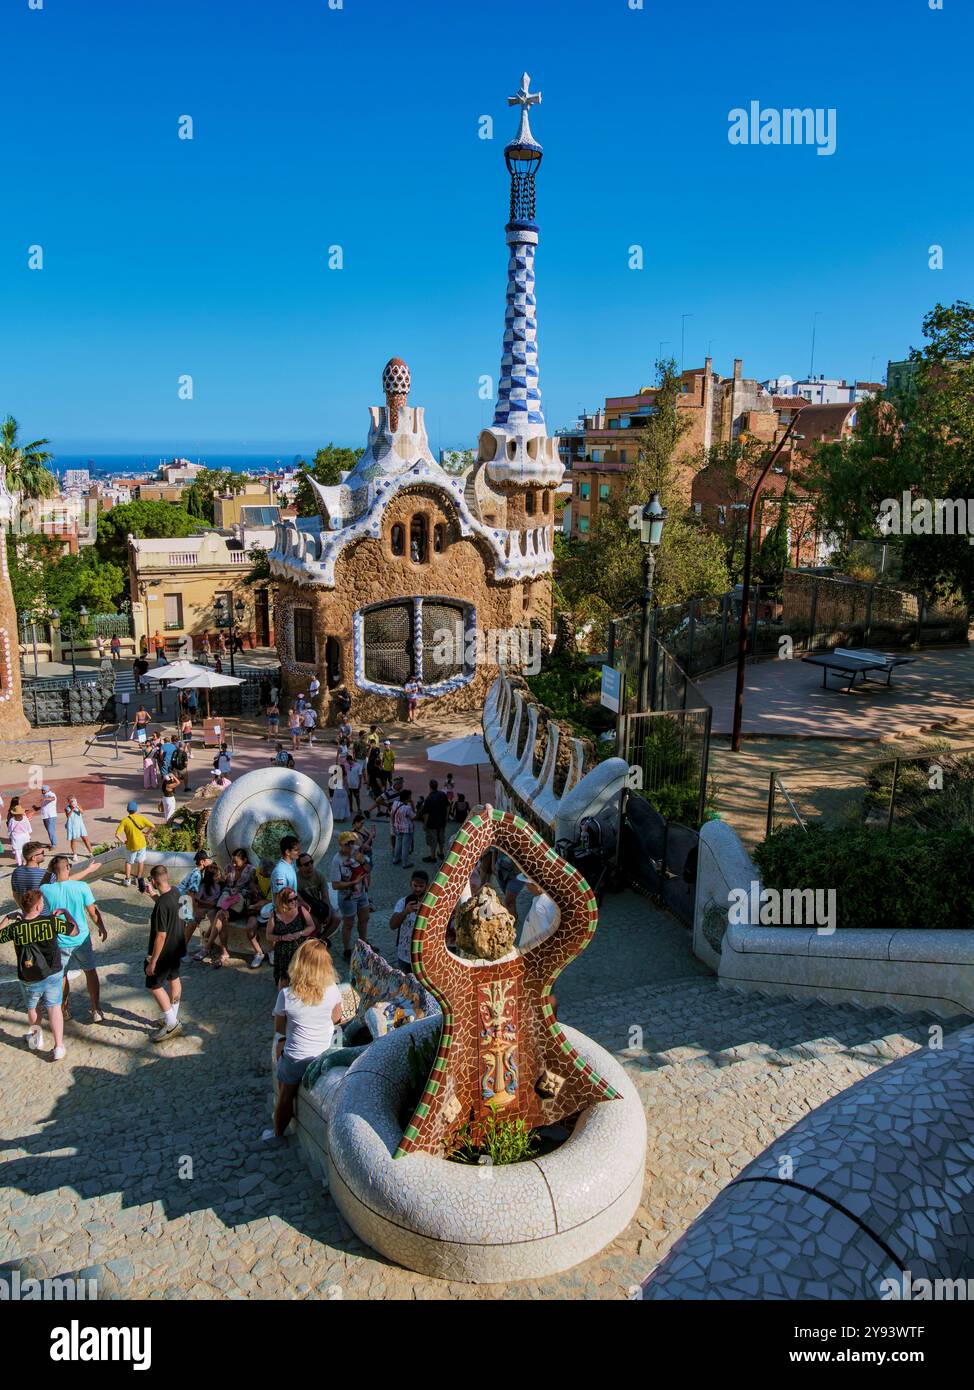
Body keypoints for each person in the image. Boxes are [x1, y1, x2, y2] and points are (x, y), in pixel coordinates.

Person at [263, 938, 343, 1142]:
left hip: (295, 1059)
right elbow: (335, 1019)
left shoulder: (287, 995)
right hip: (321, 1056)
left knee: (285, 1096)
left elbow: (280, 1028)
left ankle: (278, 1132)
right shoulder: (333, 990)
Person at [0, 889, 77, 1061]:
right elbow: (74, 931)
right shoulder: (50, 922)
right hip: (53, 973)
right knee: (54, 1007)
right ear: (37, 907)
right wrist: (66, 912)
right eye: (41, 903)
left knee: (33, 1008)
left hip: (28, 976)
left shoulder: (16, 929)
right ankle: (58, 1046)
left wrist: (7, 919)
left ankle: (36, 1038)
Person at [42, 854, 108, 1023]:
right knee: (90, 972)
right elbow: (93, 912)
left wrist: (49, 872)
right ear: (69, 868)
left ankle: (65, 1010)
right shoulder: (82, 886)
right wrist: (101, 926)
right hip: (81, 937)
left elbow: (44, 884)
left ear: (53, 871)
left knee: (62, 976)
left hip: (60, 941)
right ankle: (96, 1009)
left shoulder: (46, 890)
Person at [143, 864, 186, 1042]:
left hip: (164, 952)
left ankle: (171, 1022)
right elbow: (179, 913)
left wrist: (153, 961)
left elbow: (161, 935)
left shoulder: (162, 904)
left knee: (154, 984)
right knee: (174, 979)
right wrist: (153, 895)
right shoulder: (176, 892)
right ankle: (173, 1016)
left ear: (153, 880)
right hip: (177, 947)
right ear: (166, 877)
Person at [207, 847, 257, 968]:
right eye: (232, 861)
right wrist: (225, 881)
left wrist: (240, 891)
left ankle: (208, 946)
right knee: (221, 915)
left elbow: (253, 889)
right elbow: (224, 885)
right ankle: (220, 951)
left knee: (220, 914)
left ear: (244, 860)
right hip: (226, 900)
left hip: (240, 902)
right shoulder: (229, 868)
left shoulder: (251, 870)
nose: (233, 864)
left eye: (236, 862)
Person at [264, 887, 318, 988]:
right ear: (283, 901)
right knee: (284, 980)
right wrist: (282, 937)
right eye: (290, 900)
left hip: (299, 951)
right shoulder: (275, 915)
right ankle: (282, 1000)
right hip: (283, 953)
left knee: (301, 979)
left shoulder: (301, 910)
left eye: (295, 898)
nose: (294, 901)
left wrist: (300, 933)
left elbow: (312, 926)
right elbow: (268, 936)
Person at [330, 831, 370, 961]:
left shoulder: (357, 851)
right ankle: (347, 950)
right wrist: (353, 882)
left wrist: (363, 861)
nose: (350, 846)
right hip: (347, 897)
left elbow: (368, 869)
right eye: (347, 843)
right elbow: (335, 885)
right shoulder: (337, 860)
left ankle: (364, 946)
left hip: (362, 893)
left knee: (364, 919)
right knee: (348, 924)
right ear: (341, 844)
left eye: (352, 842)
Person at [389, 870, 429, 974]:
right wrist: (405, 912)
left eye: (421, 886)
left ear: (427, 886)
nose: (418, 889)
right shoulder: (403, 902)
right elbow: (392, 925)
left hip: (423, 957)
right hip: (404, 955)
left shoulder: (431, 905)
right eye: (415, 885)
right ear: (410, 884)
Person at [296, 852, 336, 938]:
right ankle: (313, 942)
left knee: (337, 918)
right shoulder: (295, 880)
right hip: (305, 907)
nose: (310, 865)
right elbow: (299, 902)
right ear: (299, 867)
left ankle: (322, 939)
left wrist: (328, 913)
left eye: (311, 862)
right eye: (306, 864)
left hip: (318, 903)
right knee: (315, 923)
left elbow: (325, 896)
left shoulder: (319, 875)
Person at [115, 800, 154, 889]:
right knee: (141, 861)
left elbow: (117, 834)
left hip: (131, 845)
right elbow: (153, 826)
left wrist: (123, 841)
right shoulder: (141, 818)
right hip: (141, 844)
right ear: (136, 809)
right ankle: (138, 878)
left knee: (129, 862)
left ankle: (127, 880)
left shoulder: (125, 820)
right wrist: (147, 833)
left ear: (127, 810)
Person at [518, 879, 560, 950]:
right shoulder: (554, 898)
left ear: (536, 886)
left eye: (527, 883)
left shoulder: (538, 906)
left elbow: (544, 938)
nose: (525, 884)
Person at [11, 841, 49, 908]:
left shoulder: (16, 872)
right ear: (33, 858)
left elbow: (15, 894)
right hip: (44, 913)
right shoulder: (45, 874)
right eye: (42, 853)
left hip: (27, 912)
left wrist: (23, 909)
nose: (44, 854)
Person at [420, 778, 449, 863]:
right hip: (441, 821)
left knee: (433, 839)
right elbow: (448, 806)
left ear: (430, 787)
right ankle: (441, 852)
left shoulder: (429, 798)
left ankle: (432, 857)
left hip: (432, 823)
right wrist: (446, 817)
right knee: (441, 838)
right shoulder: (443, 794)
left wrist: (425, 824)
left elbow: (426, 814)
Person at [391, 788, 416, 867]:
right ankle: (405, 863)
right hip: (407, 829)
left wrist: (393, 825)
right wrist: (412, 804)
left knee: (398, 844)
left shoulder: (395, 803)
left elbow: (392, 814)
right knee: (406, 846)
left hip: (397, 827)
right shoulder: (407, 808)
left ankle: (396, 858)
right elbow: (414, 817)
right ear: (407, 798)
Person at [64, 796, 93, 860]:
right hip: (72, 826)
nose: (73, 802)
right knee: (73, 840)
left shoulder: (78, 805)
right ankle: (75, 855)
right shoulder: (67, 808)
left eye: (74, 801)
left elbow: (82, 812)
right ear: (68, 802)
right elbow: (68, 816)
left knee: (85, 839)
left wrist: (77, 807)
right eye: (71, 801)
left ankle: (91, 853)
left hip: (80, 825)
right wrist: (72, 809)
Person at [7, 798, 33, 866]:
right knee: (26, 851)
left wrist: (9, 836)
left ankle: (19, 864)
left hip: (16, 838)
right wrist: (29, 834)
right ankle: (26, 862)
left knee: (18, 852)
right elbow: (29, 829)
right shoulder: (24, 818)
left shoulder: (12, 820)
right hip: (25, 837)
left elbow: (10, 830)